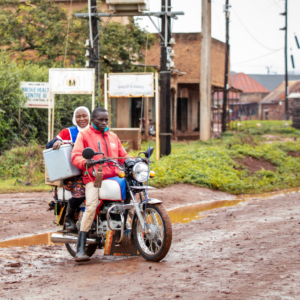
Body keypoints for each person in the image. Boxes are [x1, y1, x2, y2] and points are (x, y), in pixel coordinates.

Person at [71, 107, 129, 262]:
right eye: (100, 120)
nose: (104, 123)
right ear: (93, 120)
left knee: (130, 194)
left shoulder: (113, 136)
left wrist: (131, 161)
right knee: (91, 205)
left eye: (106, 120)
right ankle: (80, 249)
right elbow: (75, 156)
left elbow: (122, 155)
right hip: (94, 176)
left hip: (114, 175)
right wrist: (86, 162)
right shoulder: (84, 134)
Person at [46, 106, 90, 232]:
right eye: (78, 116)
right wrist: (58, 143)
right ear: (74, 118)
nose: (81, 119)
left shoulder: (93, 132)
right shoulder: (68, 132)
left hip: (92, 172)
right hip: (73, 173)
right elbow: (49, 145)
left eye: (84, 116)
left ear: (89, 118)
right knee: (79, 194)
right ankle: (70, 218)